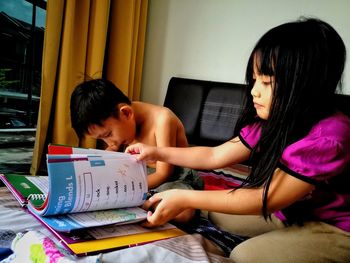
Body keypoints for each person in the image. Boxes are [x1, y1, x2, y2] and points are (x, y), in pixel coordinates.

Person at [125, 18, 350, 262]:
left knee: (244, 256)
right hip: (291, 211)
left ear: (306, 85)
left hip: (335, 226)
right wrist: (156, 153)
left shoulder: (329, 138)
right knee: (218, 214)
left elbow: (265, 198)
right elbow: (213, 155)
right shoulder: (274, 120)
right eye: (254, 79)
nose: (254, 91)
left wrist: (184, 196)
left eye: (266, 82)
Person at [70, 78, 204, 223]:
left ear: (126, 113)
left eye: (108, 135)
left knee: (184, 211)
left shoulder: (162, 120)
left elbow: (164, 172)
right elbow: (112, 151)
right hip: (142, 177)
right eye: (102, 139)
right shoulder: (121, 122)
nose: (109, 142)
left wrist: (126, 189)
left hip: (175, 177)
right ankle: (141, 204)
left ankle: (141, 203)